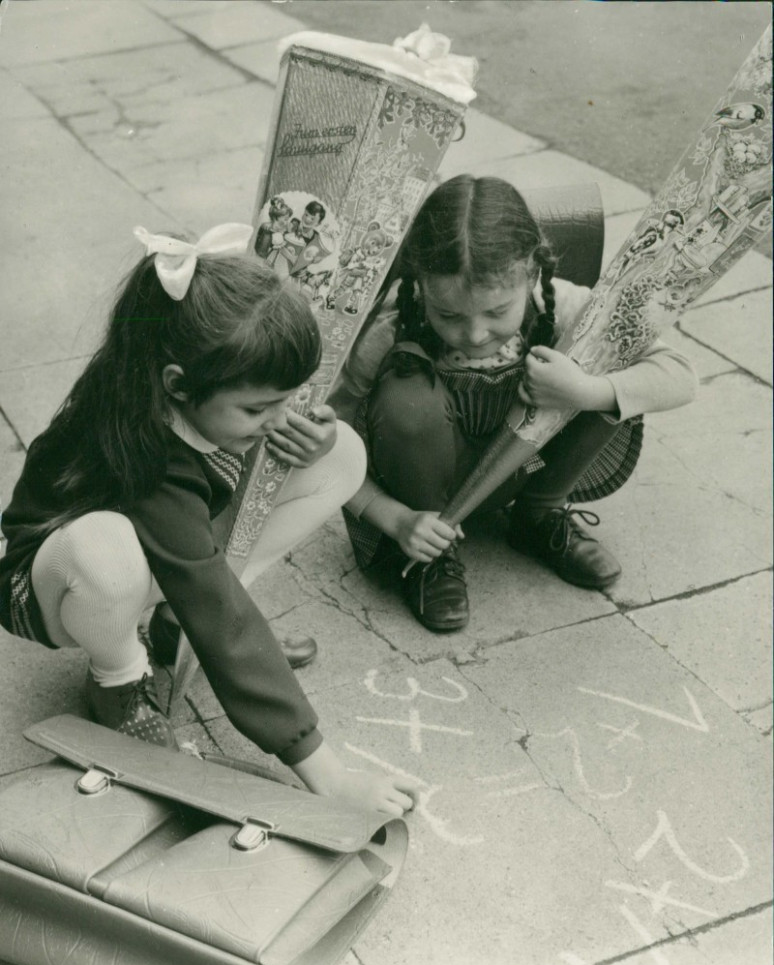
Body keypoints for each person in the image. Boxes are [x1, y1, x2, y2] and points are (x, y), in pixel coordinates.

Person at [0, 223, 417, 816]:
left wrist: (308, 443)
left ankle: (171, 624)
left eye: (286, 399)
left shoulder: (180, 375)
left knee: (342, 453)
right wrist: (327, 774)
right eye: (258, 407)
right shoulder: (147, 450)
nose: (277, 419)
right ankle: (117, 682)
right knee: (108, 549)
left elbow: (205, 546)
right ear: (178, 386)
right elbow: (219, 607)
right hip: (52, 581)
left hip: (158, 551)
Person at [330, 175, 698, 632]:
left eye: (498, 311)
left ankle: (537, 517)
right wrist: (394, 517)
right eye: (448, 315)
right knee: (406, 398)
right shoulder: (393, 324)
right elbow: (326, 435)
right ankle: (431, 556)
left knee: (605, 365)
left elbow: (681, 375)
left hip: (527, 472)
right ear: (420, 283)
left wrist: (583, 390)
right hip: (423, 492)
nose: (476, 334)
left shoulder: (559, 304)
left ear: (532, 272)